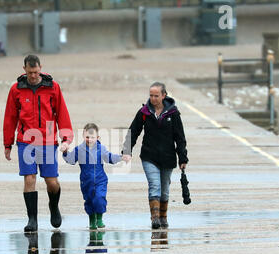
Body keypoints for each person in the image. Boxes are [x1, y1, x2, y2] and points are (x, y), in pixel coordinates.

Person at [3, 54, 73, 233]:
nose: (33, 75)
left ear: (40, 68)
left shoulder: (53, 87)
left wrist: (66, 138)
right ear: (24, 69)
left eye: (36, 72)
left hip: (48, 141)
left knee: (52, 182)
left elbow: (62, 113)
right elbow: (10, 118)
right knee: (29, 179)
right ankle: (32, 220)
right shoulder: (16, 89)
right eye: (30, 72)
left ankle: (53, 206)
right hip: (26, 141)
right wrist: (7, 144)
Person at [122, 82, 188, 230]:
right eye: (151, 95)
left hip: (168, 157)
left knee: (164, 190)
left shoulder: (173, 113)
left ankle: (163, 217)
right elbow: (133, 131)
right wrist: (127, 150)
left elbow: (180, 138)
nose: (153, 98)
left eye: (156, 95)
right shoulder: (144, 112)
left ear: (164, 95)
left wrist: (183, 158)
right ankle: (155, 219)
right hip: (149, 156)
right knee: (154, 186)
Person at [63, 123, 124, 230]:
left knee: (99, 198)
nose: (89, 139)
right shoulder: (79, 149)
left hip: (100, 180)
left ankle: (99, 219)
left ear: (97, 137)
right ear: (83, 136)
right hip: (86, 181)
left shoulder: (101, 148)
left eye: (92, 137)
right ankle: (92, 220)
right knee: (89, 201)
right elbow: (71, 160)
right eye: (87, 137)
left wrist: (121, 157)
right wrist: (65, 152)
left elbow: (110, 158)